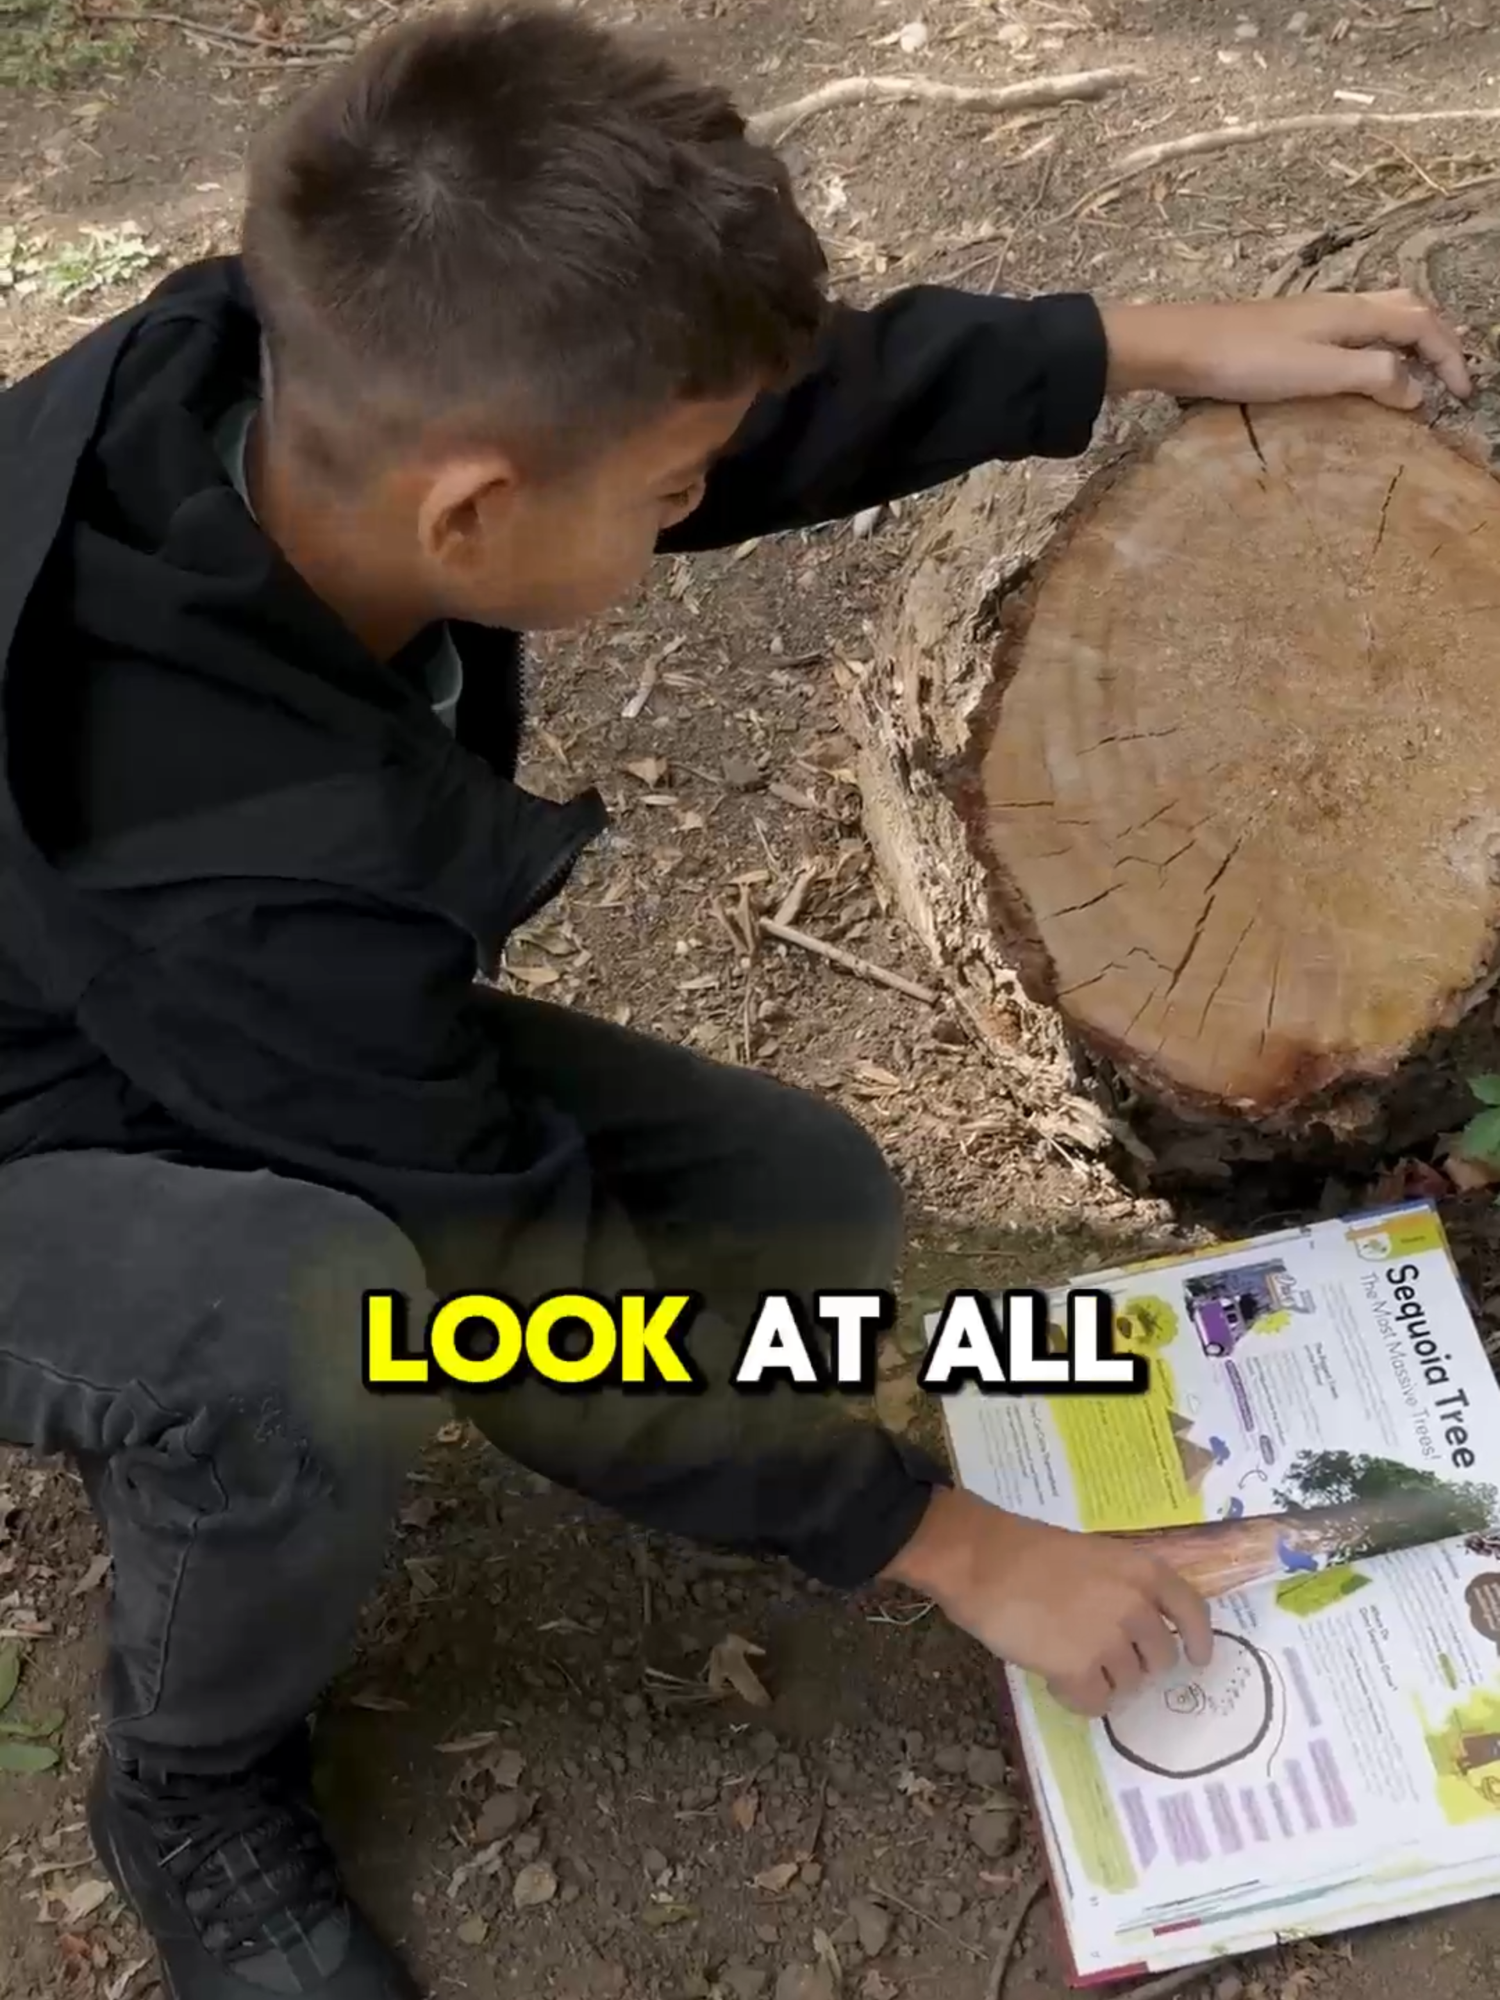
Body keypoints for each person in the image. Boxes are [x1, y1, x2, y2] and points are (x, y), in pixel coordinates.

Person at [0, 6, 1470, 1995]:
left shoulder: (289, 369)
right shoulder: (240, 850)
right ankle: (188, 1768)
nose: (694, 508)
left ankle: (664, 1431)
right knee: (305, 1329)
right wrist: (954, 1550)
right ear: (472, 514)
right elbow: (518, 1298)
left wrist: (1140, 340)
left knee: (791, 1192)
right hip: (52, 1100)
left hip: (150, 990)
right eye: (669, 495)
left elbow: (710, 397)